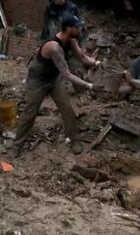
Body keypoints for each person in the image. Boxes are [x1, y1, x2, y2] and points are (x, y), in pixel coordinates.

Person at [10, 15, 101, 157]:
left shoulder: (71, 40)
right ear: (69, 28)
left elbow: (82, 57)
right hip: (38, 80)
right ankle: (16, 146)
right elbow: (67, 75)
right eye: (78, 27)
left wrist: (96, 63)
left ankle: (75, 140)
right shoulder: (54, 47)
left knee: (67, 109)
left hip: (54, 78)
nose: (80, 29)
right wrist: (89, 85)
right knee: (30, 113)